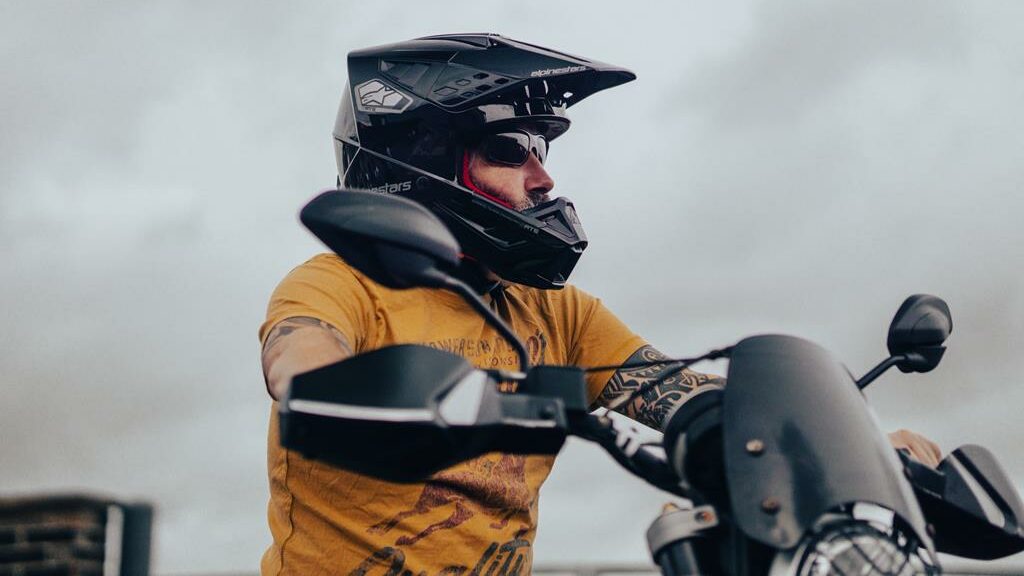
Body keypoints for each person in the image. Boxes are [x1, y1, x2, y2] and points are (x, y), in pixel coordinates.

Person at [258, 34, 941, 576]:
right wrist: (327, 387)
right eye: (512, 149)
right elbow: (299, 353)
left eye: (543, 148)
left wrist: (854, 449)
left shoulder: (557, 314)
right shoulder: (341, 283)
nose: (543, 174)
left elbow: (680, 392)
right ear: (423, 162)